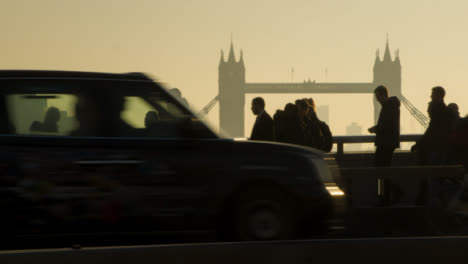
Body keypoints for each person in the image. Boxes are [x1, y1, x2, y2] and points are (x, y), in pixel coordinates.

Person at [418, 86, 453, 165]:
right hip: (439, 146)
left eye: (432, 94)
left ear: (438, 96)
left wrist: (420, 143)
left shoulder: (439, 113)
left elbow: (433, 129)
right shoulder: (443, 111)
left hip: (436, 146)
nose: (430, 96)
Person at [368, 85, 400, 167]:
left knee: (380, 165)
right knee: (385, 165)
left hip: (385, 142)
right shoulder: (391, 106)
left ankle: (385, 180)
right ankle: (385, 179)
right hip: (389, 141)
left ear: (383, 95)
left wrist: (376, 129)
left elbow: (387, 125)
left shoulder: (388, 107)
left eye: (378, 96)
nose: (377, 99)